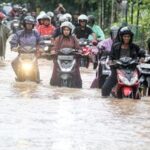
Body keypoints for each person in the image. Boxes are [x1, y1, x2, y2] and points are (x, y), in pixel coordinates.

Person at [101, 26, 145, 97]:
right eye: (125, 36)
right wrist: (110, 61)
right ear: (121, 37)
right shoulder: (115, 46)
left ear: (131, 37)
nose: (126, 38)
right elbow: (111, 57)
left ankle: (138, 94)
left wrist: (142, 58)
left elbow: (141, 53)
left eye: (128, 36)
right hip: (117, 69)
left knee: (141, 82)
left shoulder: (134, 47)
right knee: (104, 89)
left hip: (132, 70)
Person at [10, 16, 42, 82]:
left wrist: (42, 48)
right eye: (27, 24)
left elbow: (41, 41)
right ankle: (18, 76)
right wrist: (13, 47)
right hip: (22, 54)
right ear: (24, 24)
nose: (29, 25)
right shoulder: (19, 33)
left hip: (32, 54)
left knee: (36, 69)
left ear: (33, 25)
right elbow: (13, 41)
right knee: (13, 63)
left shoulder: (36, 33)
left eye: (30, 24)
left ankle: (37, 79)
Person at [50, 21, 82, 88]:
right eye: (64, 30)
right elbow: (54, 47)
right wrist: (53, 51)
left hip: (71, 59)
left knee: (76, 70)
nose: (66, 31)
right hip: (60, 59)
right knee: (55, 68)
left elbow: (78, 47)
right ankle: (54, 84)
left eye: (67, 30)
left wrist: (79, 51)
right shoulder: (58, 38)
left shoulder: (74, 38)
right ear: (62, 30)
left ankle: (77, 85)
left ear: (70, 30)